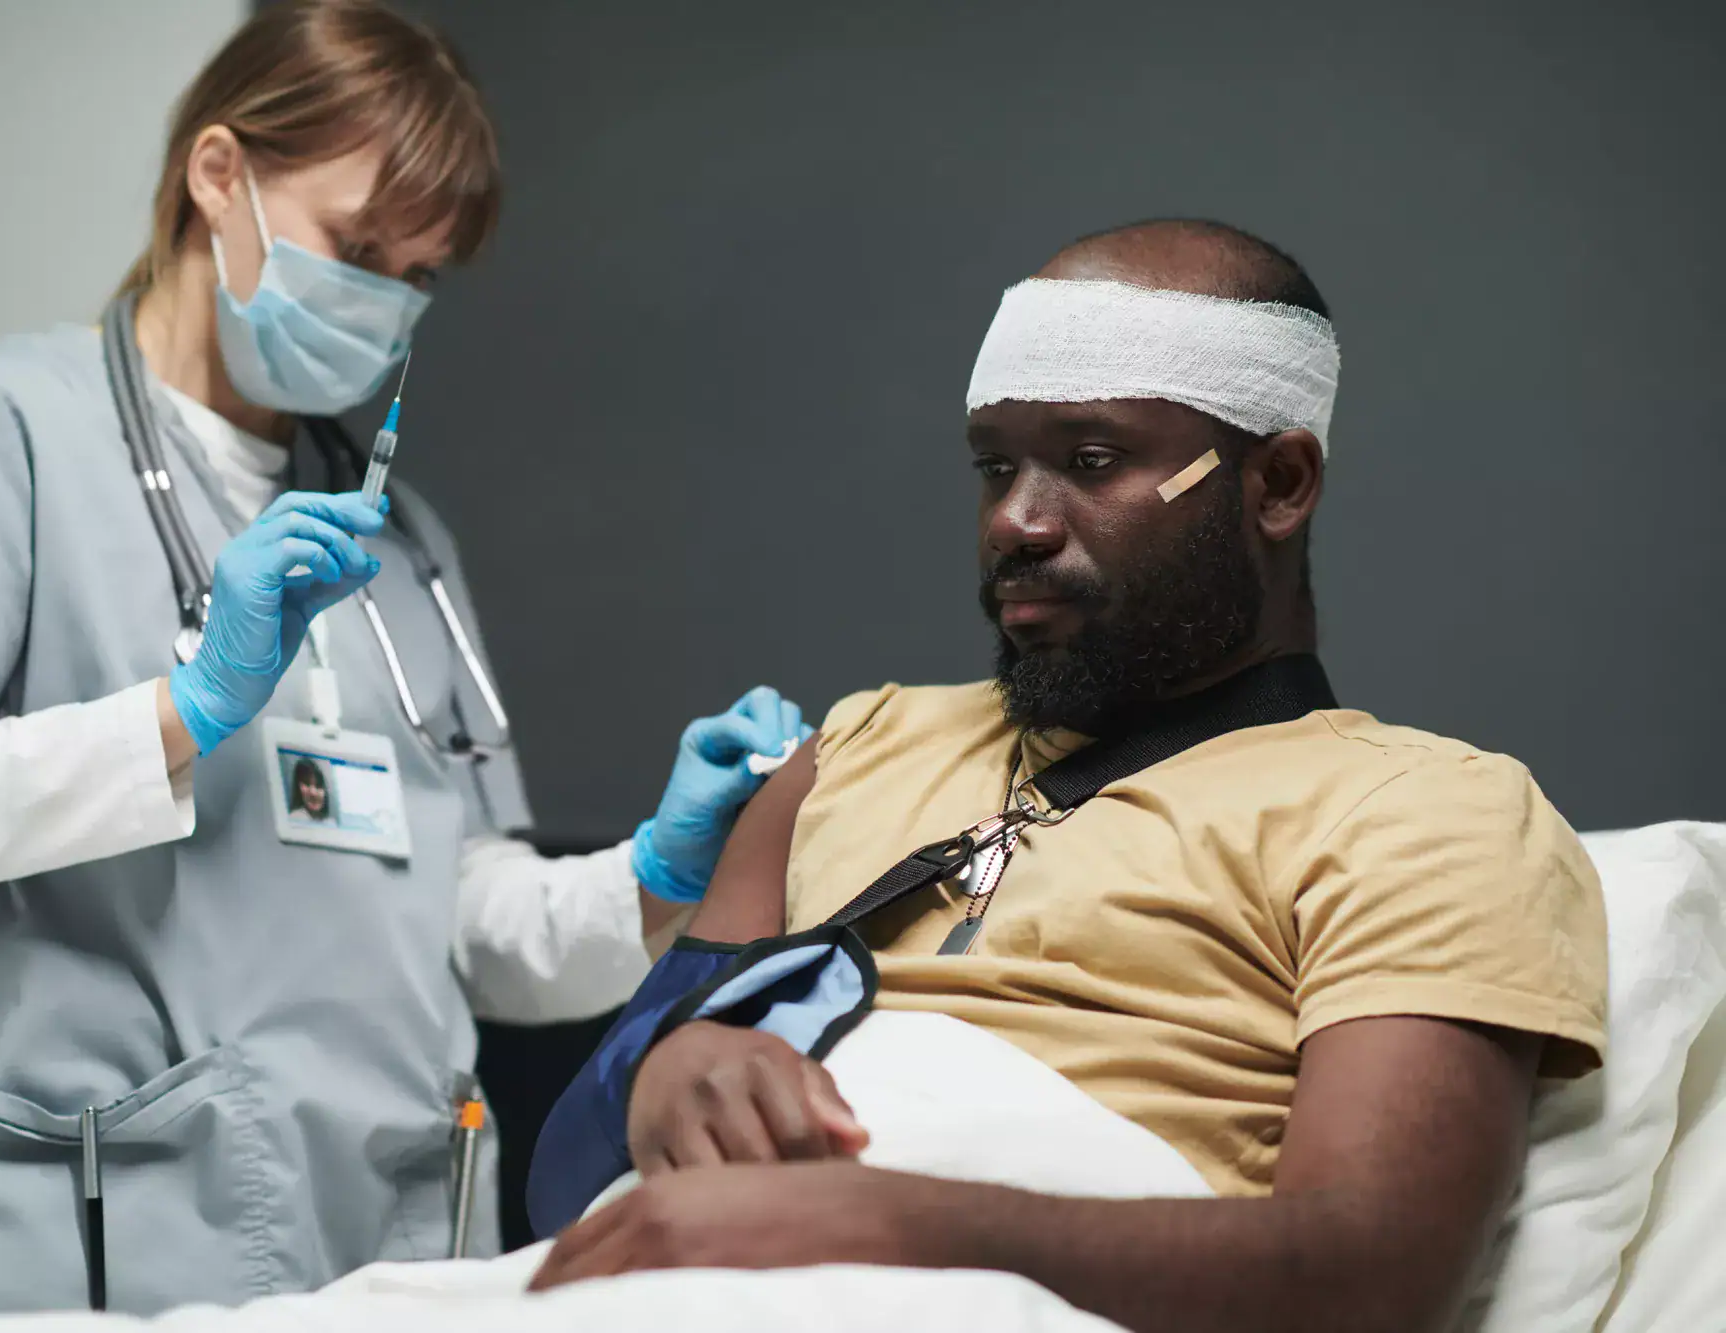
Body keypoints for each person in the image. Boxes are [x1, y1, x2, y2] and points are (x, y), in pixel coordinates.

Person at [0, 0, 807, 1320]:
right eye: (356, 246)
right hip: (104, 1243)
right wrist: (188, 710)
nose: (384, 304)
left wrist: (650, 878)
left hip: (397, 1246)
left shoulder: (400, 543)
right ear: (220, 174)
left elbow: (466, 923)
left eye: (419, 275)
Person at [522, 220, 1609, 1333]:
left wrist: (878, 1222)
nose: (1014, 521)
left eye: (1090, 462)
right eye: (995, 466)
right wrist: (664, 1068)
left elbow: (1370, 1275)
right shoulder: (852, 747)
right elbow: (589, 1157)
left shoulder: (1420, 811)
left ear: (1275, 483)